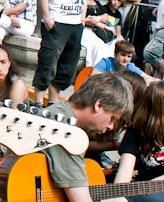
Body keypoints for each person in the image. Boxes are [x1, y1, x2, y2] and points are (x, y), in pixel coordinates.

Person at [41, 72, 133, 202]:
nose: (111, 126)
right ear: (98, 105)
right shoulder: (67, 131)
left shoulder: (57, 112)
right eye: (112, 118)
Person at [82, 0, 125, 67]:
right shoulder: (104, 8)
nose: (116, 2)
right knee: (101, 46)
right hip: (98, 31)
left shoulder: (118, 15)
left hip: (110, 34)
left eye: (118, 1)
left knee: (119, 47)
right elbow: (91, 20)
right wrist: (106, 26)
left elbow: (117, 31)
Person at [92, 40, 156, 83]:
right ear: (115, 53)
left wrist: (157, 81)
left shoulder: (129, 66)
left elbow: (145, 76)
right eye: (123, 55)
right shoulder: (106, 62)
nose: (125, 59)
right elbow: (94, 76)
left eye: (129, 56)